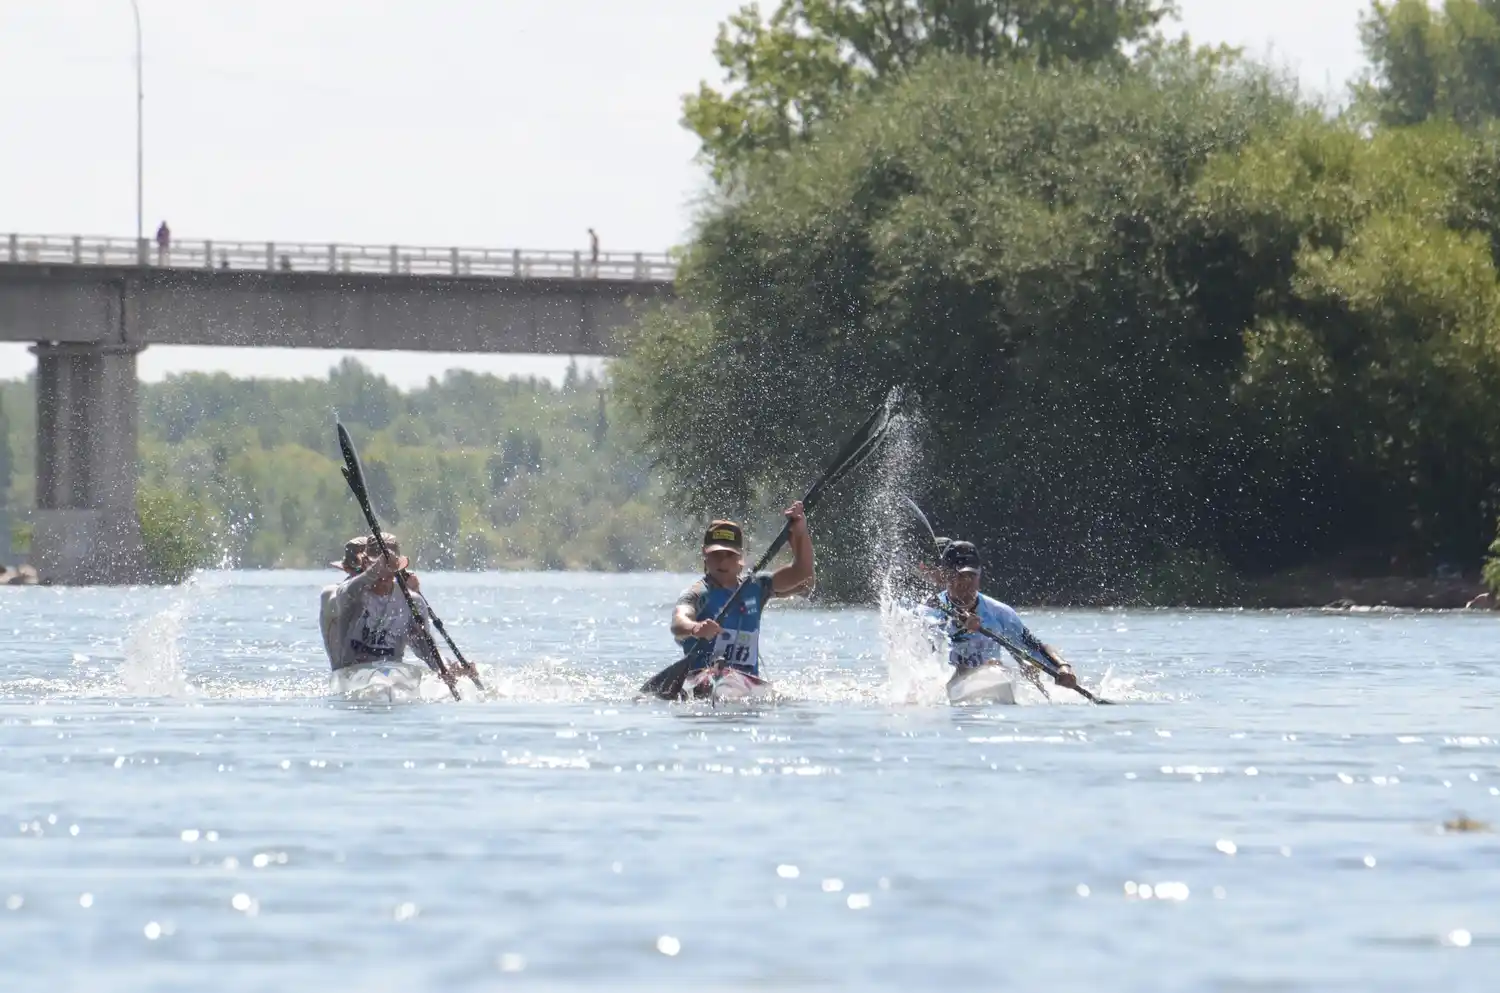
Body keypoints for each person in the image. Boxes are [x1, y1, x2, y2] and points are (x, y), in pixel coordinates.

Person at [669, 504, 813, 678]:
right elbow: (678, 622)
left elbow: (802, 573)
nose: (722, 562)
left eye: (729, 555)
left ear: (740, 558)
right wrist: (696, 628)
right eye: (716, 555)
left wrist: (800, 533)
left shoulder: (757, 588)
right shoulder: (697, 594)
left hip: (746, 683)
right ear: (704, 555)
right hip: (703, 680)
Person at [924, 540, 1077, 692]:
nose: (967, 581)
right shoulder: (929, 612)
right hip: (947, 682)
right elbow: (927, 657)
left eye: (972, 575)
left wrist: (1062, 667)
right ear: (944, 576)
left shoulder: (1000, 613)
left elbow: (1033, 645)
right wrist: (958, 623)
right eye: (960, 575)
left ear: (980, 574)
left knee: (995, 665)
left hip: (991, 675)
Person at [319, 533, 440, 672]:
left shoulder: (412, 601)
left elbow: (426, 650)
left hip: (392, 676)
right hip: (351, 673)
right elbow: (346, 592)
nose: (383, 571)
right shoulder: (346, 595)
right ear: (365, 564)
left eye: (390, 566)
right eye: (377, 565)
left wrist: (446, 671)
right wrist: (375, 570)